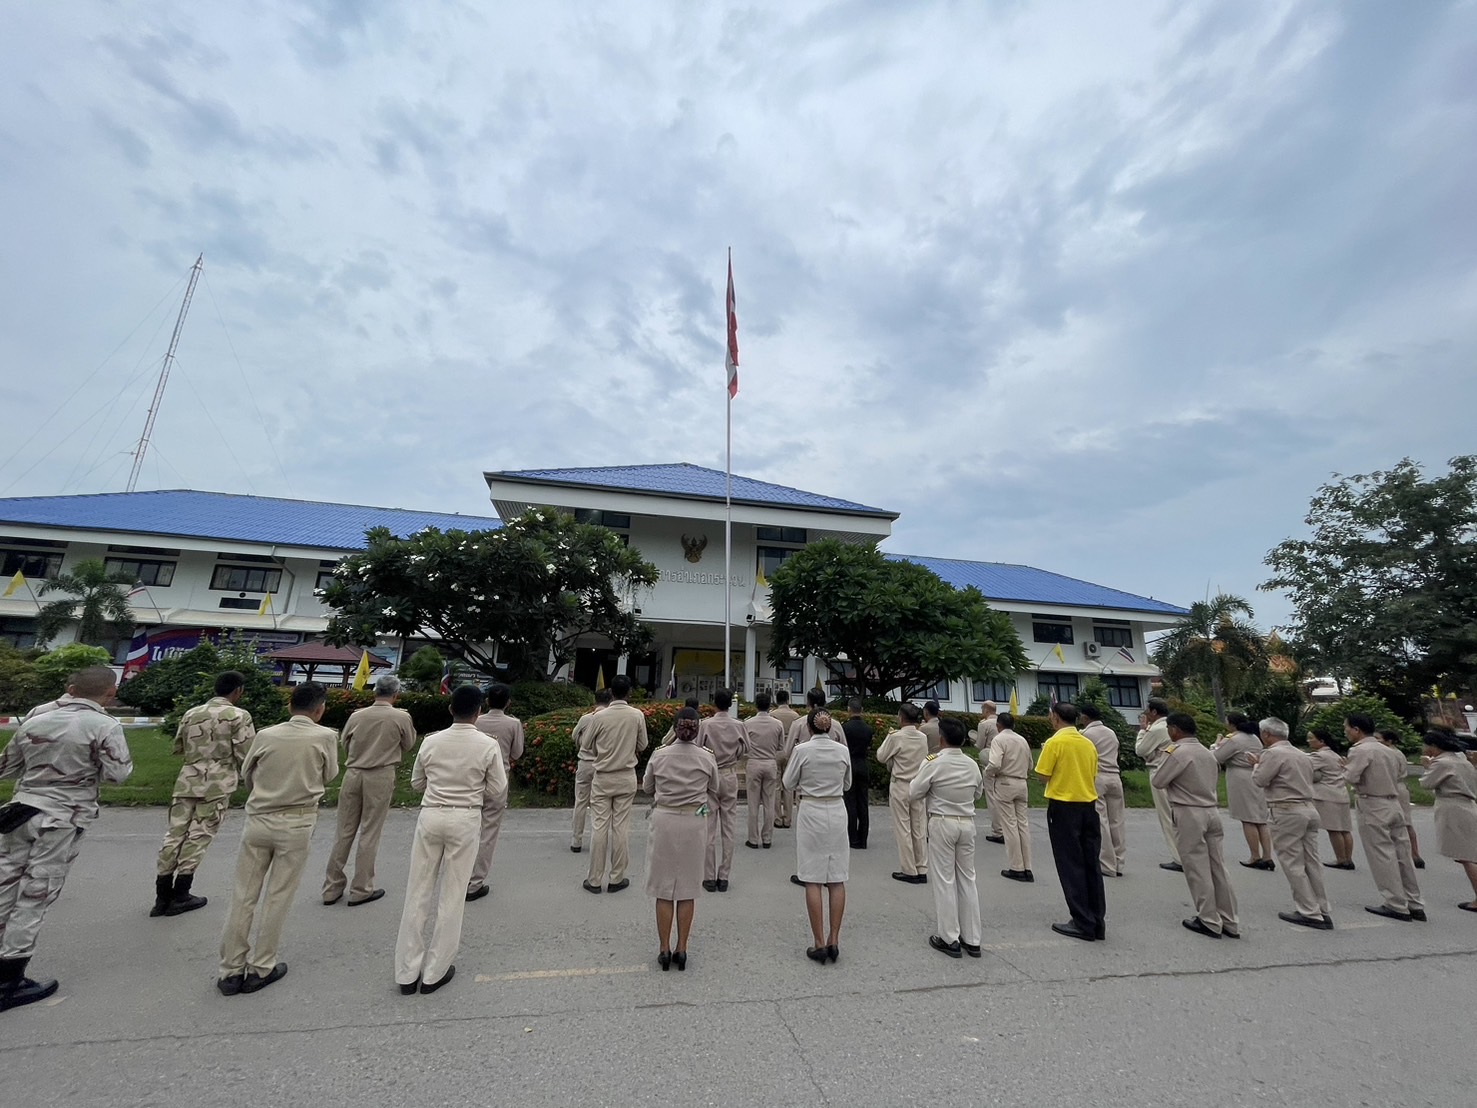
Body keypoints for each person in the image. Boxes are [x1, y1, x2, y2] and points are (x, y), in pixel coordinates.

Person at [0, 666, 132, 1011]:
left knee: (4, 886)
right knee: (34, 895)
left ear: (71, 688)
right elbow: (118, 774)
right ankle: (9, 979)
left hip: (20, 812)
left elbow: (7, 767)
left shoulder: (35, 718)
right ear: (109, 693)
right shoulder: (105, 726)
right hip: (60, 819)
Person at [217, 682, 338, 996]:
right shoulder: (325, 736)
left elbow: (248, 772)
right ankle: (261, 966)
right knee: (278, 897)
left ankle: (230, 970)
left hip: (259, 819)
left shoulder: (266, 734)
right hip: (296, 822)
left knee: (243, 896)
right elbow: (330, 774)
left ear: (289, 706)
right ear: (320, 710)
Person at [394, 684, 505, 995]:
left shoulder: (431, 741)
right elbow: (497, 788)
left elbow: (417, 782)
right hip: (465, 816)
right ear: (479, 712)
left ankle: (406, 971)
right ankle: (435, 970)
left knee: (417, 891)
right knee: (453, 894)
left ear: (450, 709)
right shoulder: (487, 744)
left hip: (431, 814)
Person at [153, 670, 255, 918]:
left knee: (174, 833)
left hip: (187, 780)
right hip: (217, 784)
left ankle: (161, 895)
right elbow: (247, 754)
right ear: (238, 691)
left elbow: (179, 746)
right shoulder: (239, 716)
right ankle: (181, 893)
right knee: (199, 835)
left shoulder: (191, 713)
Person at [322, 674, 416, 908]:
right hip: (381, 774)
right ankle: (361, 888)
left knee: (343, 831)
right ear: (395, 694)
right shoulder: (401, 717)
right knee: (370, 832)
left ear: (374, 692)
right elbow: (409, 744)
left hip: (353, 773)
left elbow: (345, 743)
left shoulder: (357, 716)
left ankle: (331, 888)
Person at [643, 708, 720, 971]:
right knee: (687, 889)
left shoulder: (659, 755)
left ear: (675, 728)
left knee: (663, 890)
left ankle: (664, 948)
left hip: (664, 819)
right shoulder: (707, 757)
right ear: (697, 729)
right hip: (694, 820)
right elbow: (714, 788)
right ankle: (682, 948)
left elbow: (647, 787)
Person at [1153, 713, 1239, 938]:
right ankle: (1229, 920)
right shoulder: (1206, 752)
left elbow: (1158, 780)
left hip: (1189, 811)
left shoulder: (1177, 752)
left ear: (1174, 730)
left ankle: (1209, 920)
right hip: (1211, 810)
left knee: (1197, 869)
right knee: (1218, 867)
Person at [782, 709, 851, 963]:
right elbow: (847, 784)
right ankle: (834, 938)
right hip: (836, 807)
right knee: (836, 877)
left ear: (809, 728)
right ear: (830, 728)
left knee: (812, 878)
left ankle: (819, 942)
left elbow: (788, 783)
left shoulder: (802, 751)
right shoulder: (842, 751)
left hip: (811, 808)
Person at [1250, 717, 1333, 930]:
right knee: (1311, 861)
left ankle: (1309, 910)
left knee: (1293, 863)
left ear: (1267, 734)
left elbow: (1260, 780)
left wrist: (1256, 765)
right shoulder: (1301, 754)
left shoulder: (1272, 753)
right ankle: (1321, 907)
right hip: (1308, 807)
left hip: (1286, 809)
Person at [911, 718, 985, 957]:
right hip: (967, 823)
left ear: (941, 739)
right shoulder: (971, 764)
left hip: (942, 822)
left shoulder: (933, 762)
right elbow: (978, 793)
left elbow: (914, 792)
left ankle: (949, 937)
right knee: (967, 879)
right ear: (963, 740)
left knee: (944, 880)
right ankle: (972, 938)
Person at [1034, 703, 1105, 941]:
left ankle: (1082, 921)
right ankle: (1097, 920)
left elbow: (1043, 775)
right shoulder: (1087, 743)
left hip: (1064, 806)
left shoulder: (1055, 742)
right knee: (1090, 863)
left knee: (1070, 864)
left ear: (1054, 718)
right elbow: (1093, 773)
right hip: (1088, 805)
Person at [1345, 713, 1424, 921]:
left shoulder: (1360, 750)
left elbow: (1351, 776)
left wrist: (1342, 769)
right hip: (1393, 801)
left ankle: (1395, 903)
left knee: (1382, 854)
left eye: (1347, 728)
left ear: (1356, 730)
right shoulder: (1389, 751)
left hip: (1372, 802)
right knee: (1402, 854)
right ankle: (1414, 901)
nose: (1346, 732)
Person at [582, 675, 649, 894]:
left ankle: (594, 879)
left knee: (599, 827)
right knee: (621, 827)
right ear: (629, 693)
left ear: (611, 692)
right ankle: (616, 877)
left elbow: (586, 744)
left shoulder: (599, 717)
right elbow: (643, 744)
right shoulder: (637, 715)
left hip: (602, 776)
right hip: (626, 775)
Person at [466, 683, 524, 901]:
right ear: (508, 702)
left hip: (472, 778)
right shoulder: (513, 724)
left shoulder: (476, 720)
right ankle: (475, 882)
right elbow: (517, 753)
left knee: (468, 827)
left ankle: (460, 876)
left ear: (487, 701)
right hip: (498, 780)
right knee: (488, 832)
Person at [1418, 731, 1477, 912]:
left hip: (1453, 807)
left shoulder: (1442, 762)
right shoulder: (1462, 760)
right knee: (1469, 853)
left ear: (1433, 747)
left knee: (1467, 856)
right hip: (1468, 805)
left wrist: (1428, 766)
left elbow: (1426, 783)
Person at [699, 688, 748, 892]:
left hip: (710, 776)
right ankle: (724, 875)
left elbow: (697, 747)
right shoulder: (739, 725)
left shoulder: (705, 724)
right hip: (729, 774)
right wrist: (734, 756)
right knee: (729, 828)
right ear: (730, 704)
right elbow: (746, 749)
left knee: (708, 828)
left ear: (714, 703)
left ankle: (709, 876)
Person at [876, 703, 929, 884]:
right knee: (919, 828)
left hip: (900, 784)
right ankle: (922, 867)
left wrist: (889, 736)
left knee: (903, 828)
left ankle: (909, 869)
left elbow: (881, 756)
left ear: (901, 718)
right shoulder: (922, 737)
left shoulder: (896, 736)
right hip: (918, 784)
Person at [1214, 713, 1273, 871]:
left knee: (1247, 818)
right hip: (1255, 774)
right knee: (1260, 818)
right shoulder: (1254, 738)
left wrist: (1216, 744)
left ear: (1232, 724)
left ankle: (1255, 855)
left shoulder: (1234, 740)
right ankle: (1267, 855)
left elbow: (1216, 757)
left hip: (1240, 777)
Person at [1135, 698, 1181, 870]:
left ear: (1154, 712)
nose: (1146, 714)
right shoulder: (1171, 725)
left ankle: (1178, 857)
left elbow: (1141, 750)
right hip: (1177, 769)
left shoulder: (1156, 729)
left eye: (1148, 710)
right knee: (1178, 812)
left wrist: (1141, 731)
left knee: (1167, 815)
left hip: (1159, 769)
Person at [986, 712, 1033, 881]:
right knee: (1023, 825)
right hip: (1022, 783)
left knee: (1009, 825)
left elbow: (995, 763)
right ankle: (1028, 866)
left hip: (1005, 782)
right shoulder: (1022, 740)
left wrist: (988, 772)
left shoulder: (999, 740)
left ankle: (1016, 866)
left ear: (998, 726)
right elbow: (1030, 765)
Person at [1079, 704, 1125, 878]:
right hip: (1115, 776)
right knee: (1117, 821)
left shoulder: (1086, 734)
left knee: (1101, 820)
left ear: (1085, 717)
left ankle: (1107, 863)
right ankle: (1119, 862)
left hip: (1098, 777)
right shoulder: (1111, 732)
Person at [569, 689, 612, 852]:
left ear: (595, 701)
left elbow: (574, 736)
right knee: (601, 805)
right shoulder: (611, 719)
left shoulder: (586, 718)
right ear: (610, 701)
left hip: (585, 763)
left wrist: (582, 741)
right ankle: (599, 839)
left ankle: (576, 840)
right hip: (604, 766)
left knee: (580, 802)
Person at [1306, 728, 1355, 869]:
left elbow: (1303, 766)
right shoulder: (1335, 755)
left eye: (1311, 738)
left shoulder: (1319, 756)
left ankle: (1341, 859)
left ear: (1321, 741)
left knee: (1334, 829)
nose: (1308, 741)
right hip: (1341, 794)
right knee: (1345, 829)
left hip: (1328, 796)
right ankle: (1348, 858)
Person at [1378, 728, 1426, 869]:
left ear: (1389, 740)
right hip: (1398, 787)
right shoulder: (1393, 753)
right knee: (1403, 821)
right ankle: (1410, 854)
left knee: (1403, 822)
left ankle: (1413, 854)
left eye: (1379, 738)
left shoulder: (1392, 754)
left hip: (1395, 787)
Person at [743, 692, 784, 850]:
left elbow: (745, 746)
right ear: (770, 705)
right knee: (769, 802)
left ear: (756, 705)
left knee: (753, 804)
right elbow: (781, 746)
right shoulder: (777, 724)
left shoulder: (748, 723)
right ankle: (767, 838)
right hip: (770, 763)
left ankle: (753, 839)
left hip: (753, 763)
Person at [841, 698, 873, 849]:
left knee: (850, 802)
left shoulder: (845, 728)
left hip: (850, 764)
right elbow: (869, 748)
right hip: (863, 764)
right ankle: (863, 838)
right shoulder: (868, 728)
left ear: (849, 710)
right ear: (862, 709)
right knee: (863, 802)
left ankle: (852, 837)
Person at [970, 701, 1003, 840]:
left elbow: (980, 745)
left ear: (987, 710)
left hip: (989, 761)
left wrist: (973, 740)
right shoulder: (1002, 722)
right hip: (1005, 762)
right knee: (1003, 798)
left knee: (992, 797)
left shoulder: (984, 724)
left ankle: (998, 830)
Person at [770, 689, 800, 828]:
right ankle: (788, 818)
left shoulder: (773, 715)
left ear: (777, 700)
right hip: (791, 751)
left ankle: (777, 818)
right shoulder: (795, 715)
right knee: (789, 786)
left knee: (776, 786)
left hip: (776, 750)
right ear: (788, 700)